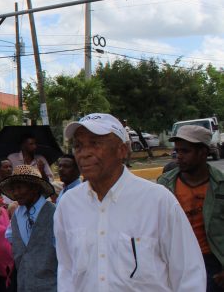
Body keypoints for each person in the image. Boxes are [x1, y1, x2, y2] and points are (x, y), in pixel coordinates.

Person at [56, 113, 204, 291]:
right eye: (78, 146)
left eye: (95, 143)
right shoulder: (68, 204)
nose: (84, 153)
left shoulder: (157, 201)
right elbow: (66, 271)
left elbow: (189, 274)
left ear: (122, 150)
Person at [157, 125, 224, 291]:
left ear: (203, 152)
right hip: (176, 260)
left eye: (185, 151)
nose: (179, 156)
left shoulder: (220, 185)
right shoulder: (164, 185)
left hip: (212, 262)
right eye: (177, 151)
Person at [0, 165, 57, 291]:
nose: (16, 193)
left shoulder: (53, 213)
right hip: (24, 283)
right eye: (13, 189)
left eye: (20, 188)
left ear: (35, 188)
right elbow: (10, 236)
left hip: (50, 285)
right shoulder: (17, 213)